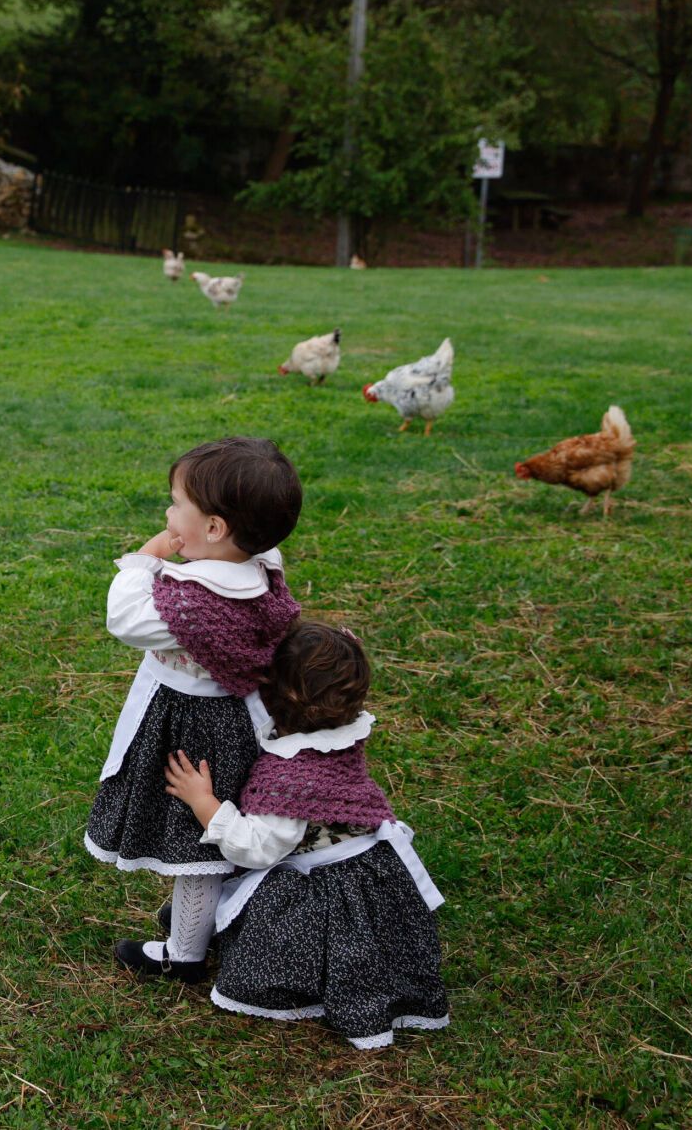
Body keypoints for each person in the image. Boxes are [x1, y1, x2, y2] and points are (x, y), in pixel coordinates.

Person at [163, 620, 450, 1048]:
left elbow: (258, 847)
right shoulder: (334, 737)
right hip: (372, 874)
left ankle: (306, 980)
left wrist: (204, 802)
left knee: (286, 941)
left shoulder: (290, 775)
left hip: (329, 890)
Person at [84, 436, 304, 981]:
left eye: (177, 503)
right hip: (237, 719)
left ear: (214, 528)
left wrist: (145, 559)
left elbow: (126, 620)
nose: (167, 513)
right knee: (203, 840)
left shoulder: (197, 603)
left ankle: (184, 954)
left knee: (195, 843)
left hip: (195, 728)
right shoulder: (260, 569)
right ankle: (208, 920)